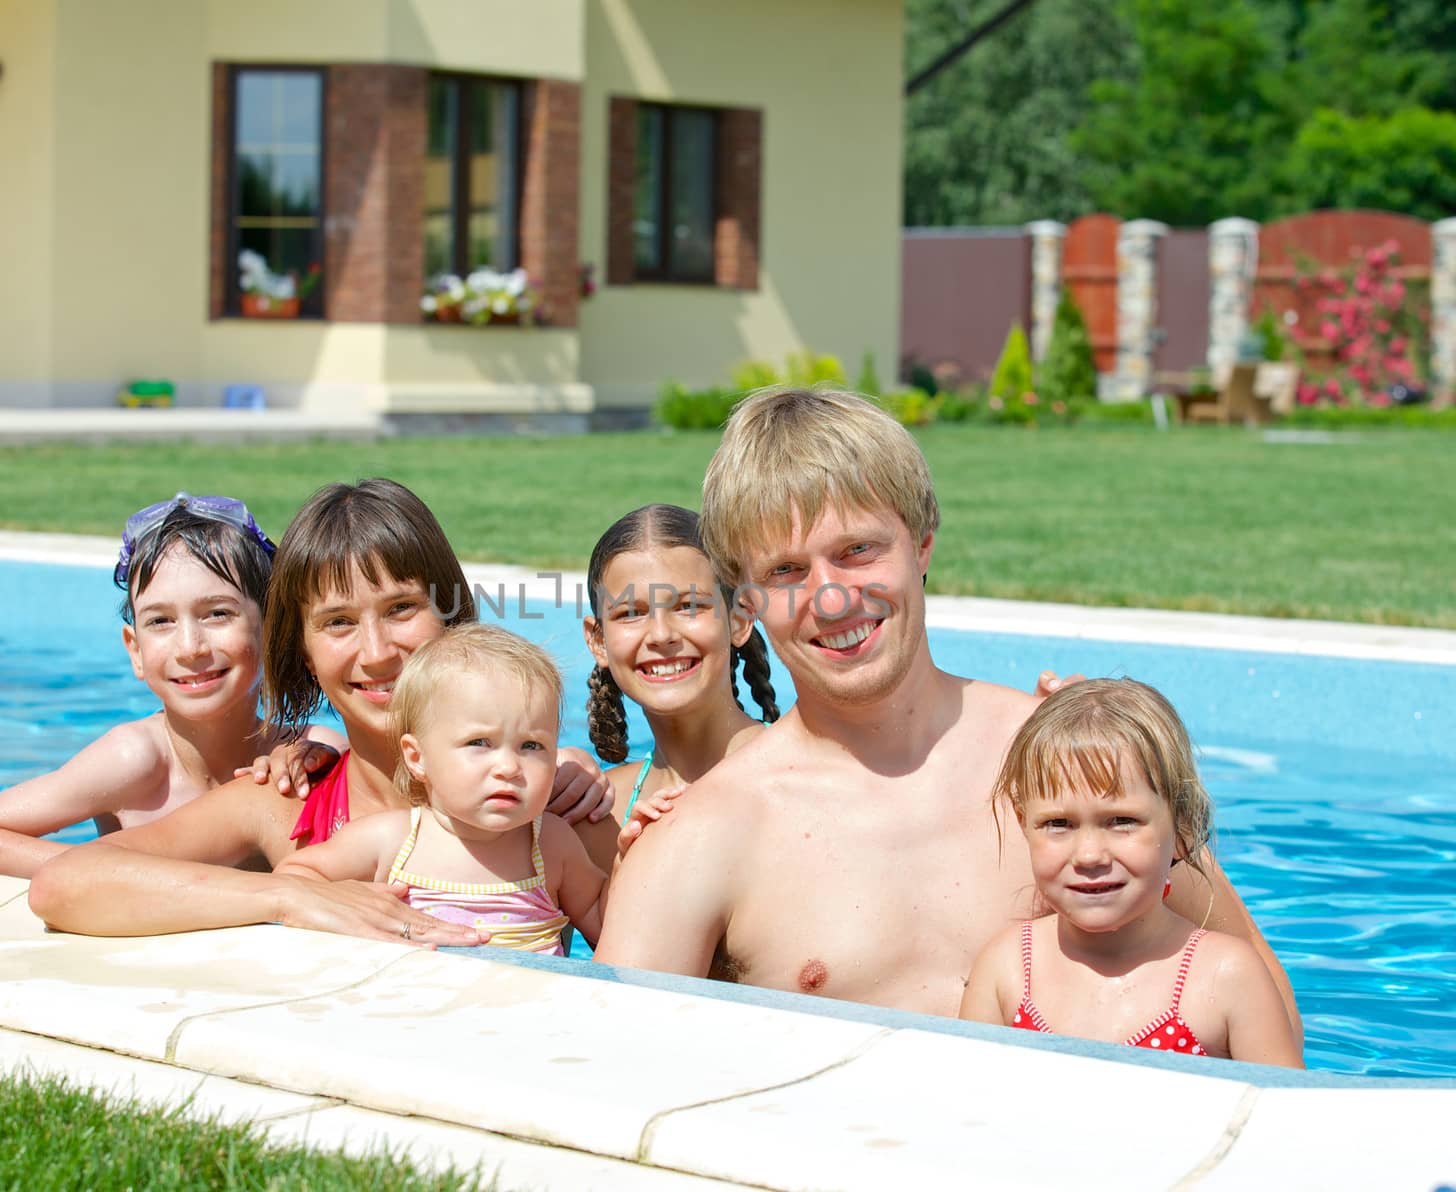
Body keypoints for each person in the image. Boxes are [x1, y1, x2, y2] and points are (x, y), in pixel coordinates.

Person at [596, 388, 1301, 1046]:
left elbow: (1264, 1022)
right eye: (786, 572)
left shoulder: (1070, 768)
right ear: (746, 602)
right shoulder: (705, 833)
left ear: (923, 542)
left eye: (857, 552)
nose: (832, 598)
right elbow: (604, 1073)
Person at [28, 478, 606, 943]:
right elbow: (64, 883)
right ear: (301, 652)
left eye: (402, 608)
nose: (377, 653)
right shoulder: (282, 804)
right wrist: (289, 896)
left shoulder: (546, 802)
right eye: (338, 623)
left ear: (452, 618)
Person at [0, 493, 344, 878]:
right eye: (160, 621)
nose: (190, 647)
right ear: (135, 650)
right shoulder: (136, 760)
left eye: (217, 614)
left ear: (271, 630)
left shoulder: (311, 752)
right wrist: (131, 872)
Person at [959, 679, 1303, 1066]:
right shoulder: (1007, 968)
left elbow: (1283, 1118)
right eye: (1058, 824)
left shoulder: (1227, 976)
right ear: (1025, 826)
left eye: (1121, 821)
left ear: (1183, 829)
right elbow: (964, 1104)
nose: (1089, 854)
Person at [276, 624, 607, 954]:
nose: (508, 767)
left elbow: (604, 916)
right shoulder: (393, 839)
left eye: (532, 746)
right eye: (479, 743)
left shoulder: (550, 843)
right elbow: (294, 875)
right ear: (417, 757)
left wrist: (635, 848)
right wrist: (352, 902)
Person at [575, 503, 780, 872]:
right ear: (598, 640)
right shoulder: (596, 815)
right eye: (631, 613)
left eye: (689, 606)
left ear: (739, 619)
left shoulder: (802, 775)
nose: (661, 635)